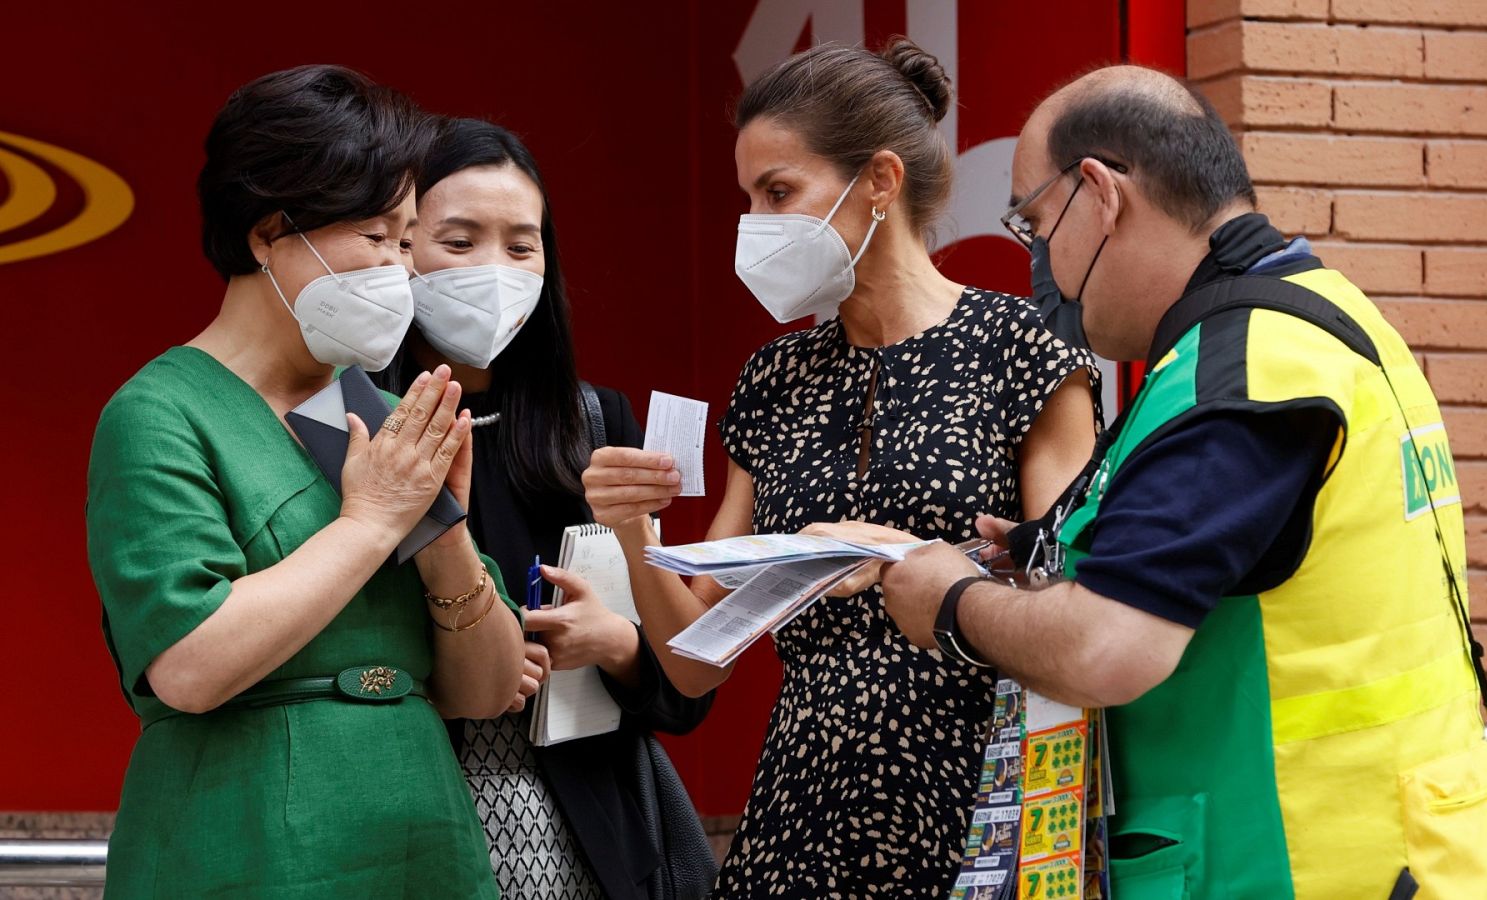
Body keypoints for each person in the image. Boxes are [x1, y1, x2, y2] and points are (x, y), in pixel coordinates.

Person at [879, 65, 1487, 899]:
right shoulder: (1319, 319)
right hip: (1417, 855)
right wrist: (1052, 552)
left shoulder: (1239, 371)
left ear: (1100, 193)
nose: (1038, 259)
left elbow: (1109, 647)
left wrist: (951, 602)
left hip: (1300, 866)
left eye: (1036, 224)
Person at [582, 40, 1101, 898]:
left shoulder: (1023, 349)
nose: (754, 222)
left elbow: (1078, 604)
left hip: (976, 808)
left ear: (880, 182)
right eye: (748, 197)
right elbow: (693, 663)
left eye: (778, 192)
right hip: (800, 817)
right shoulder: (775, 378)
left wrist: (906, 558)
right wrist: (635, 528)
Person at [86, 66, 523, 897]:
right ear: (268, 232)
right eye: (374, 236)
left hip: (421, 830)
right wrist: (370, 523)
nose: (400, 270)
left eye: (406, 242)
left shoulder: (384, 412)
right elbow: (189, 665)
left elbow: (489, 689)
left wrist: (444, 536)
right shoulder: (159, 412)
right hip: (242, 836)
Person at [385, 117, 715, 900]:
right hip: (404, 817)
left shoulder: (597, 427)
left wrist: (618, 645)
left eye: (521, 245)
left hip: (585, 834)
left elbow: (684, 689)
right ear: (398, 247)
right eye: (458, 242)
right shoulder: (357, 427)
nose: (493, 271)